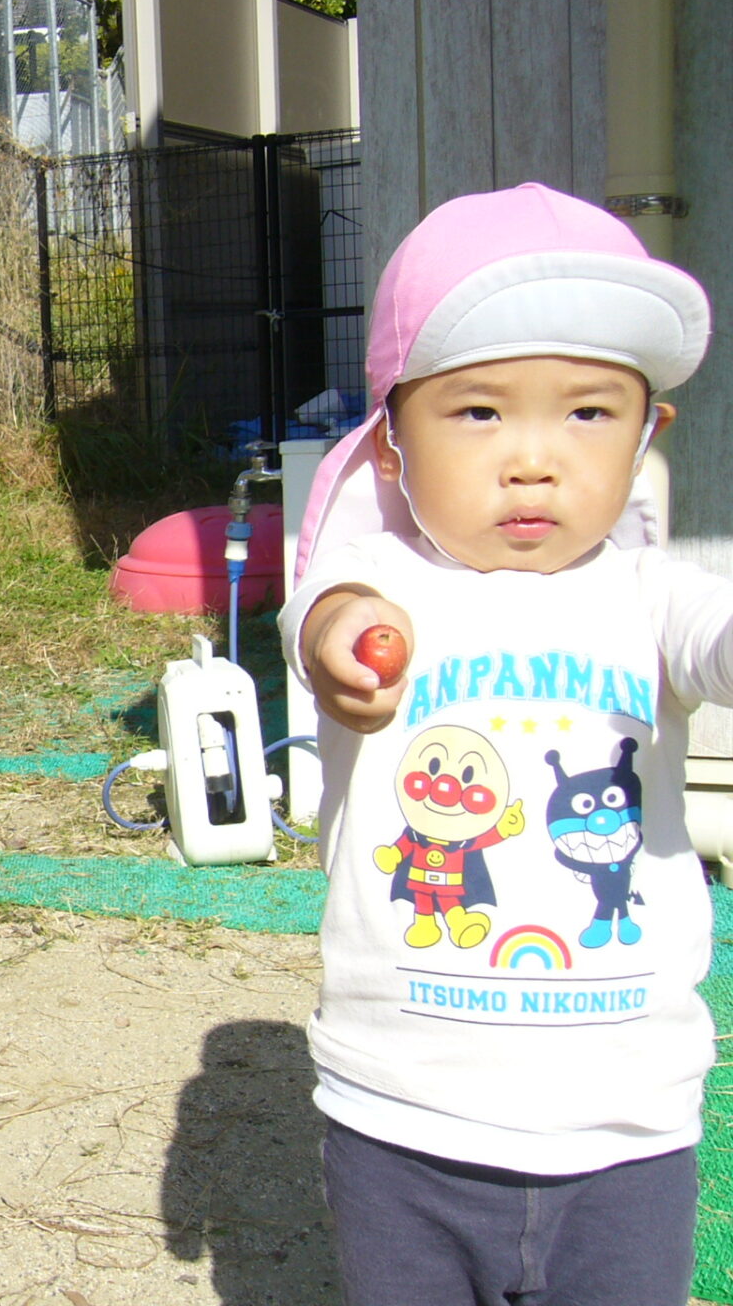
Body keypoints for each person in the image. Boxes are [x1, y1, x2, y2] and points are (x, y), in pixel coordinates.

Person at [284, 181, 724, 1305]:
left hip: (626, 1125)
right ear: (390, 446)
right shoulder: (381, 577)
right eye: (479, 413)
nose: (534, 459)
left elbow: (716, 634)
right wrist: (345, 642)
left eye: (589, 414)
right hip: (402, 1115)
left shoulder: (654, 592)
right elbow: (324, 612)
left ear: (648, 434)